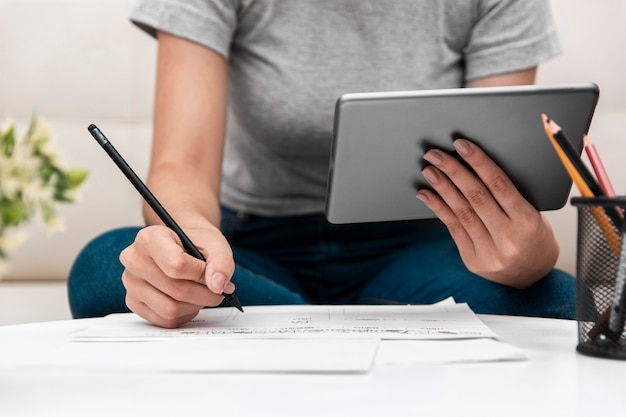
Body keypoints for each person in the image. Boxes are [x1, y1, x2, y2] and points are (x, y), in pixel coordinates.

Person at [68, 0, 576, 328]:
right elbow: (182, 165)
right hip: (249, 248)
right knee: (103, 266)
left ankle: (296, 334)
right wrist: (187, 243)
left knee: (565, 303)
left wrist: (527, 258)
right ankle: (369, 332)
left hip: (418, 246)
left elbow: (494, 176)